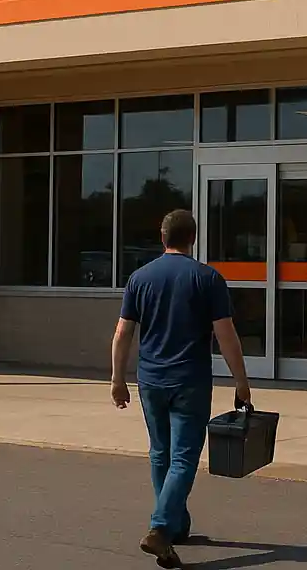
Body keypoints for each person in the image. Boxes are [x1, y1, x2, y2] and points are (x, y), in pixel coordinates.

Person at [111, 208, 251, 569]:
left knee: (161, 453)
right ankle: (160, 528)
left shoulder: (140, 278)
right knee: (184, 457)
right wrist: (241, 382)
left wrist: (117, 379)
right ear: (192, 238)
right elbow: (226, 336)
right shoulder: (207, 278)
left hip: (151, 381)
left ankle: (175, 525)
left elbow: (123, 333)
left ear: (163, 237)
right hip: (190, 381)